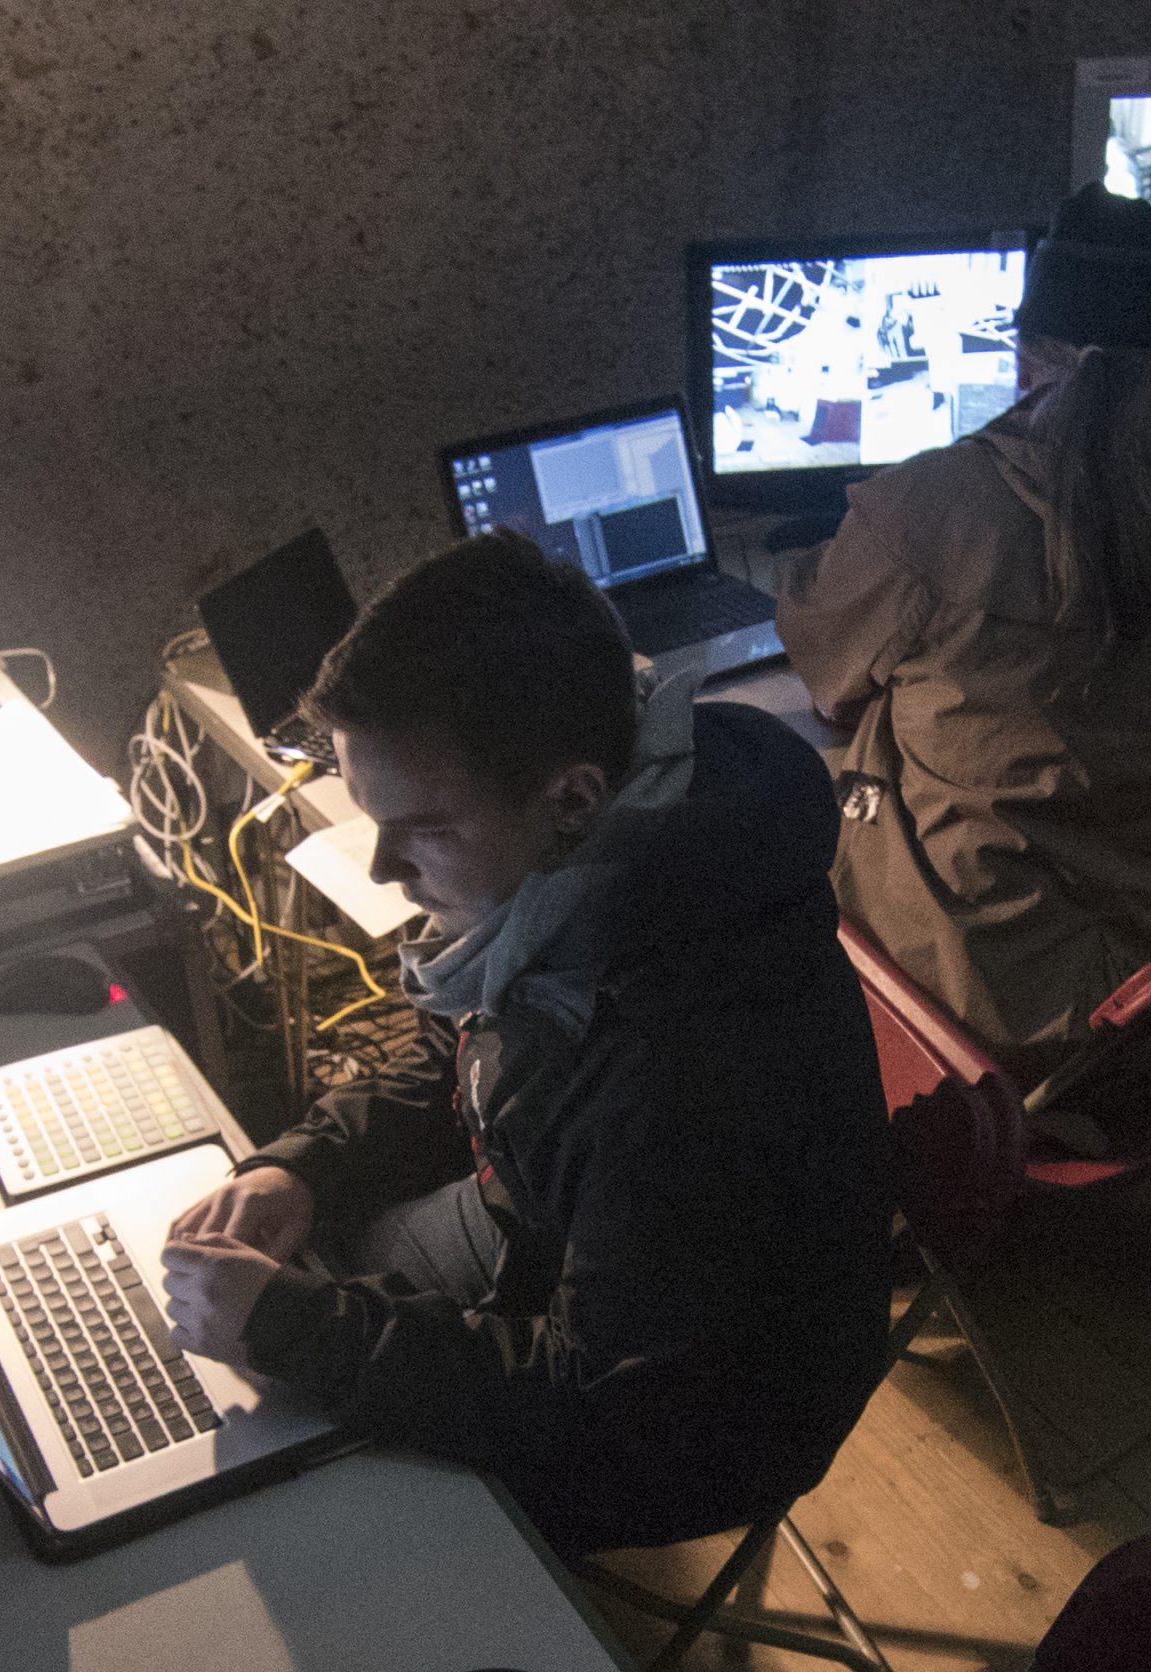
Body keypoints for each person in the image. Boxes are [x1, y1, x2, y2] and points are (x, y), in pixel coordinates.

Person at [157, 530, 894, 1555]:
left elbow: (598, 1411)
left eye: (422, 829)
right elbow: (472, 1046)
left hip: (680, 1433)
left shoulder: (685, 1064)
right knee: (305, 1276)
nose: (381, 868)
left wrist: (293, 1328)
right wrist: (306, 1166)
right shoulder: (598, 869)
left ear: (572, 798)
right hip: (566, 1248)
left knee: (307, 1509)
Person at [774, 183, 1151, 1142]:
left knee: (773, 804)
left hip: (988, 1014)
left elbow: (826, 667)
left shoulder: (939, 508)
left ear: (1028, 355)